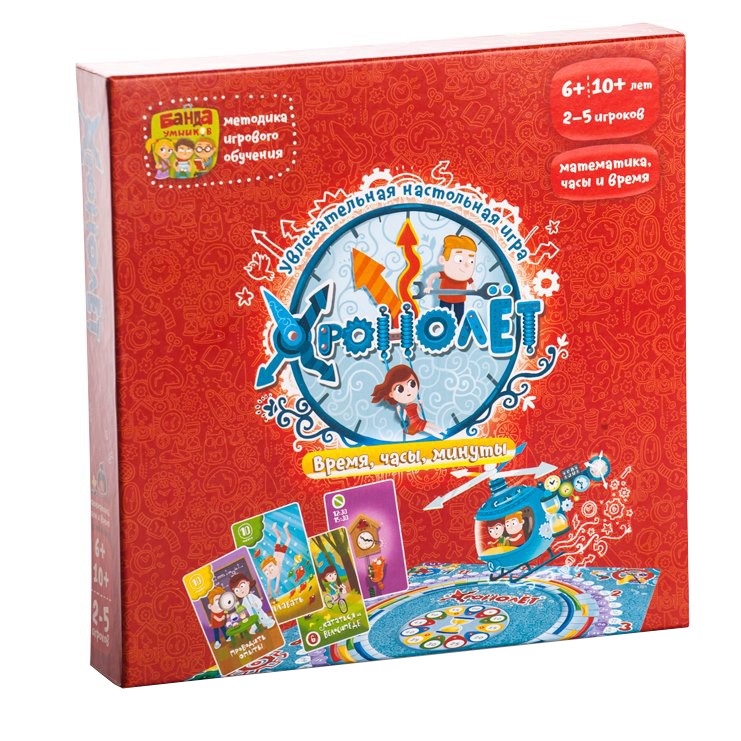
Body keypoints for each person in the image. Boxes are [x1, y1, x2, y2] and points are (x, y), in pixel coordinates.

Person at [371, 364, 444, 438]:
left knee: (431, 425)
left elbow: (421, 412)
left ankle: (444, 431)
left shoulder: (415, 405)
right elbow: (403, 418)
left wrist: (421, 405)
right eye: (400, 389)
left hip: (420, 420)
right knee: (429, 430)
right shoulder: (406, 409)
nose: (408, 391)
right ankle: (440, 437)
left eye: (412, 384)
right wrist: (399, 411)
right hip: (415, 424)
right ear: (391, 394)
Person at [424, 234, 478, 324]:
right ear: (442, 260)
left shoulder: (466, 277)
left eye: (471, 261)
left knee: (459, 318)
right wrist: (429, 286)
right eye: (459, 260)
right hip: (445, 299)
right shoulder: (445, 274)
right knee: (443, 318)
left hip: (460, 300)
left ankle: (459, 330)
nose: (466, 265)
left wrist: (474, 288)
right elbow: (432, 276)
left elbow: (471, 282)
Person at [260, 522, 292, 599]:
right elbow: (277, 579)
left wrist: (270, 591)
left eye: (269, 570)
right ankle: (283, 528)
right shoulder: (277, 570)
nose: (270, 571)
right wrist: (275, 589)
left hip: (277, 551)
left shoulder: (270, 575)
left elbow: (269, 584)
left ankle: (275, 528)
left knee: (280, 537)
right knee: (286, 538)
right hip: (281, 551)